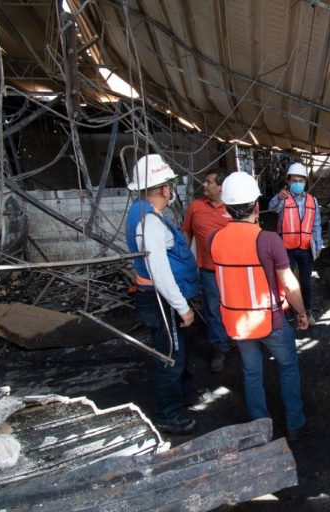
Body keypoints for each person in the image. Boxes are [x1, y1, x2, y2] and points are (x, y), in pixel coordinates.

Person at [209, 171, 316, 442]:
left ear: (227, 207)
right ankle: (295, 424)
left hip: (237, 322)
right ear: (256, 206)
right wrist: (302, 313)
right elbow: (290, 285)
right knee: (288, 368)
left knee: (251, 371)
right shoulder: (268, 240)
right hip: (271, 321)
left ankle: (260, 427)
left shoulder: (214, 240)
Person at [125, 154, 201, 436]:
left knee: (175, 351)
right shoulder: (150, 223)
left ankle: (181, 397)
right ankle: (168, 415)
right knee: (170, 356)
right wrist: (182, 307)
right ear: (164, 189)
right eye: (169, 184)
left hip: (158, 297)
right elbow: (160, 271)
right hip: (161, 299)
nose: (170, 189)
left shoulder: (143, 212)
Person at [182, 169, 232, 373]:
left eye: (209, 182)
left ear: (220, 187)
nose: (204, 185)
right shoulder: (196, 206)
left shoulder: (234, 205)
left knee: (234, 306)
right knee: (213, 310)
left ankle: (236, 338)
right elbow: (186, 233)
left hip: (232, 270)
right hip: (209, 271)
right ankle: (219, 348)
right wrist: (185, 261)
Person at [268, 162, 323, 326]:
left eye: (301, 180)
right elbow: (271, 209)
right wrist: (278, 197)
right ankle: (288, 312)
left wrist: (318, 245)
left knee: (306, 282)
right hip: (287, 248)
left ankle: (307, 311)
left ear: (305, 182)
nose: (298, 183)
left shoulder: (313, 201)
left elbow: (316, 225)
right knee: (286, 283)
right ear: (289, 181)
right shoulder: (283, 199)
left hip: (306, 248)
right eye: (294, 180)